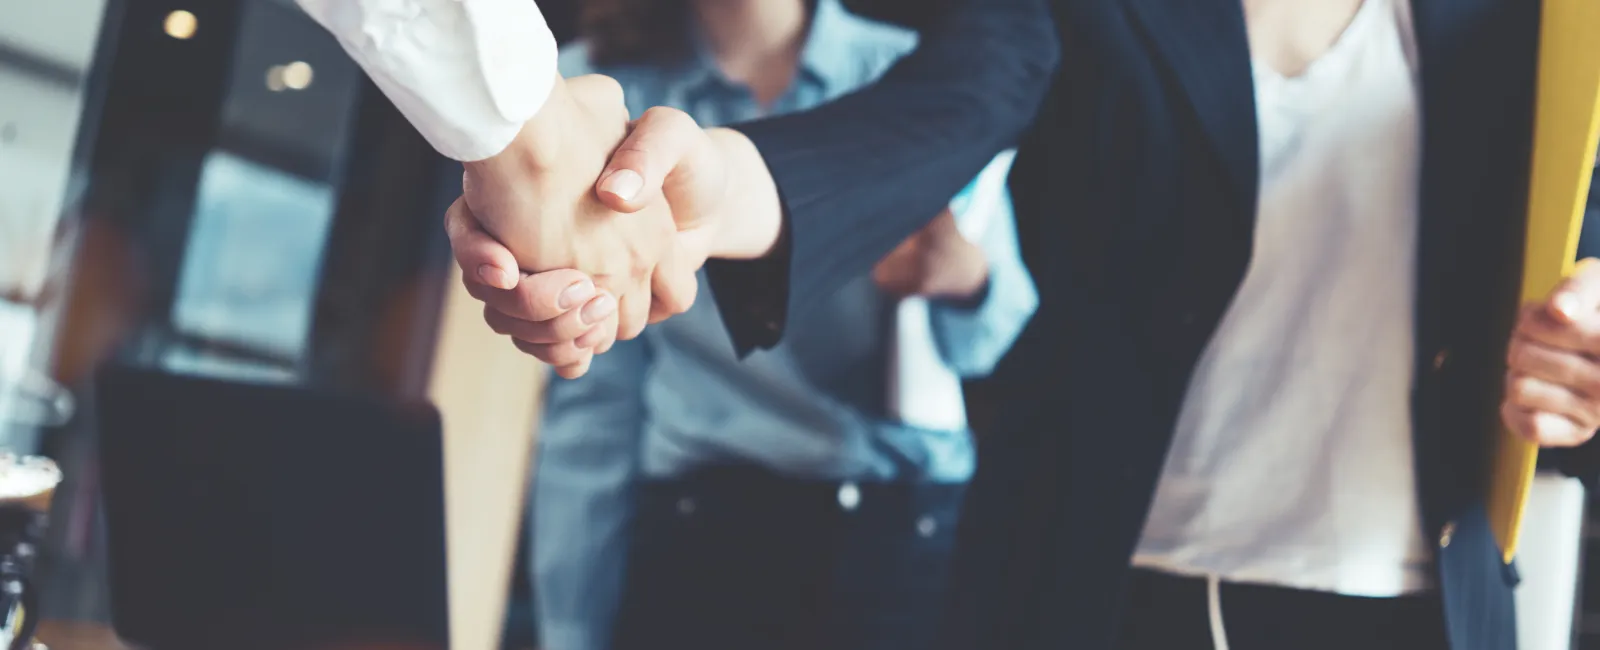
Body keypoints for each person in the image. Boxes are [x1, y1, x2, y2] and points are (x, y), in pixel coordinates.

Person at [300, 0, 1600, 649]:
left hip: (1410, 602)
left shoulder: (1535, 23)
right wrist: (709, 195)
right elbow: (933, 112)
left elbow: (1575, 265)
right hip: (1093, 587)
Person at [530, 2, 1035, 650]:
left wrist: (967, 281)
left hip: (895, 525)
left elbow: (989, 345)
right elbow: (594, 399)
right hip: (702, 522)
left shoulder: (913, 75)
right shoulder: (600, 99)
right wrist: (571, 628)